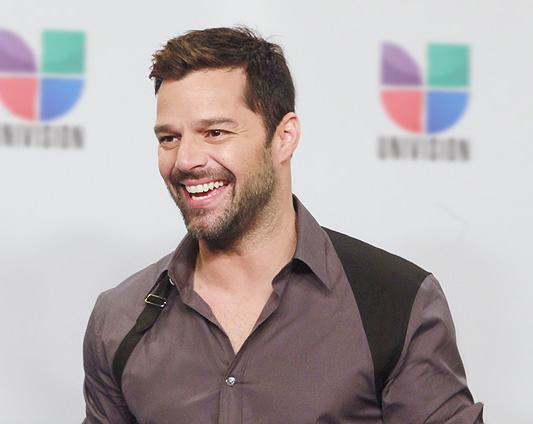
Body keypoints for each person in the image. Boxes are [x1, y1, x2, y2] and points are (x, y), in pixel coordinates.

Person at [82, 26, 483, 423]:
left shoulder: (395, 302)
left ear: (284, 137)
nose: (185, 160)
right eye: (169, 138)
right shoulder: (118, 320)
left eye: (215, 132)